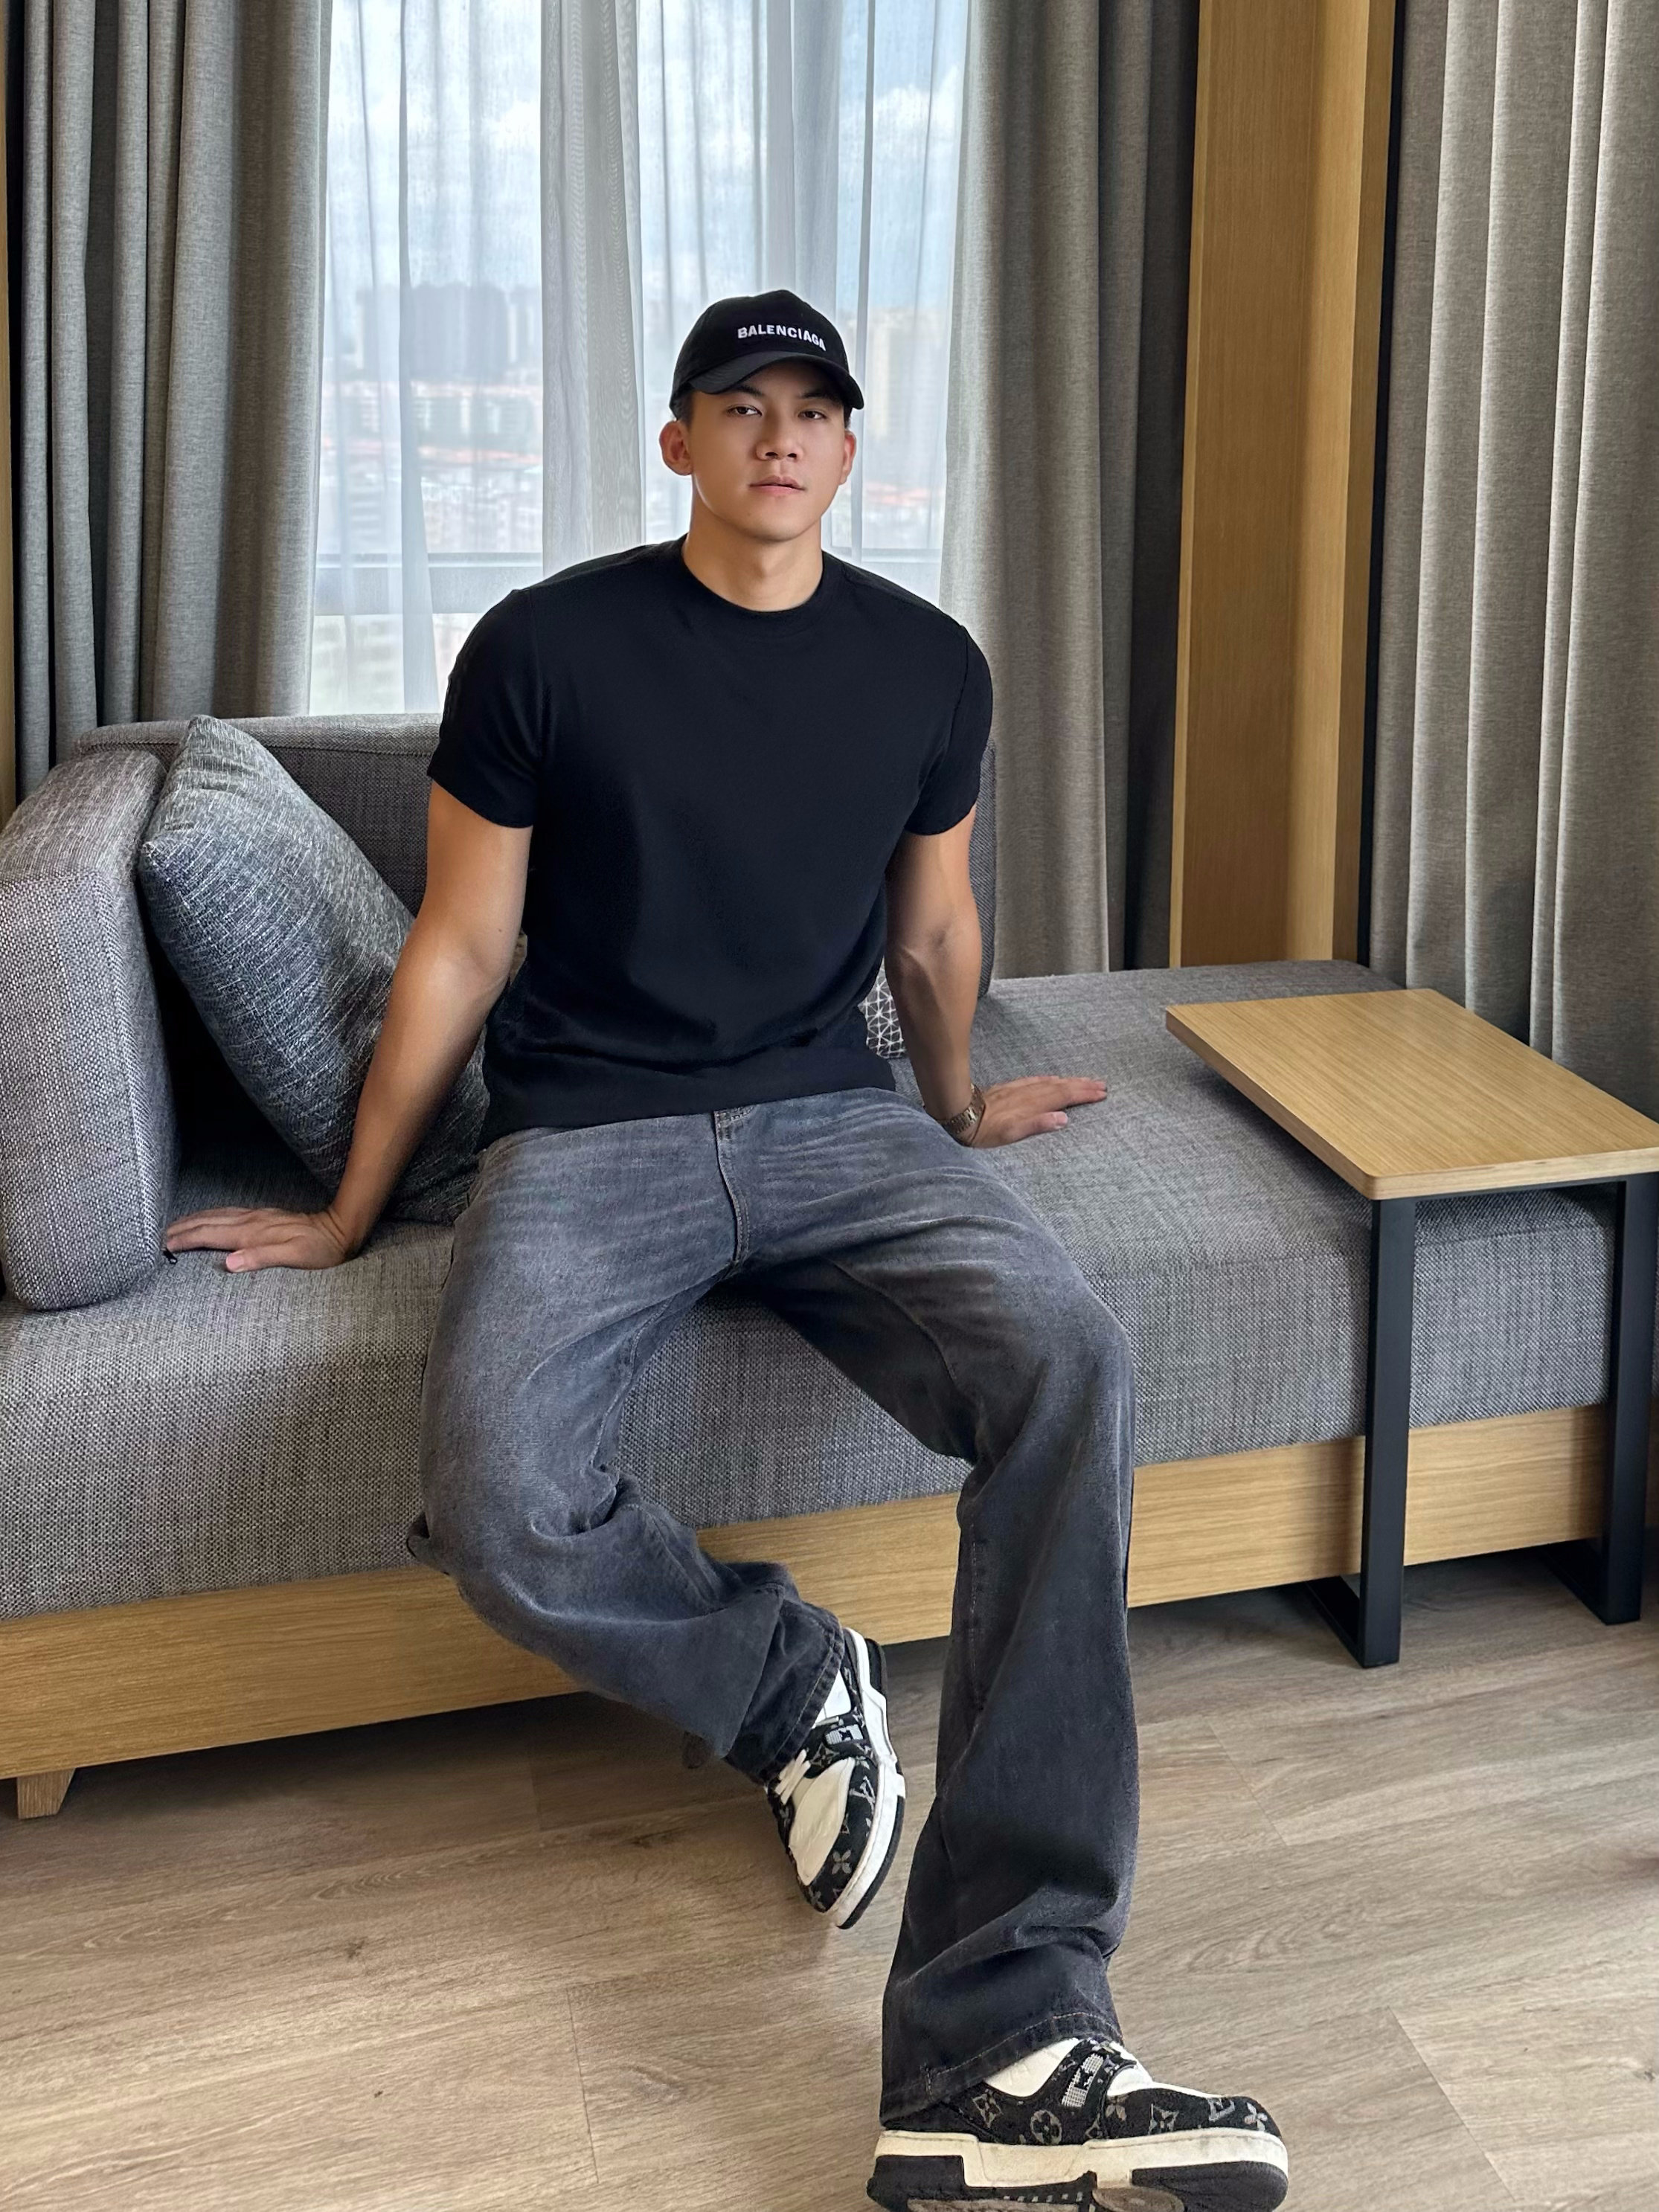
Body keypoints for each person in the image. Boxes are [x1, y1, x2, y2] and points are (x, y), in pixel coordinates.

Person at [164, 288, 1289, 2211]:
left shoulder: (929, 666)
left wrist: (953, 1108)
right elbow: (462, 944)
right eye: (740, 402)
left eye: (813, 407)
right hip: (588, 1139)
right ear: (679, 440)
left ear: (848, 448)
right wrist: (355, 1205)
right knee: (498, 1497)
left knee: (1071, 1361)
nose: (780, 434)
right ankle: (786, 1681)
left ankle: (1008, 2030)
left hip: (839, 1124)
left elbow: (932, 933)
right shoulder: (543, 648)